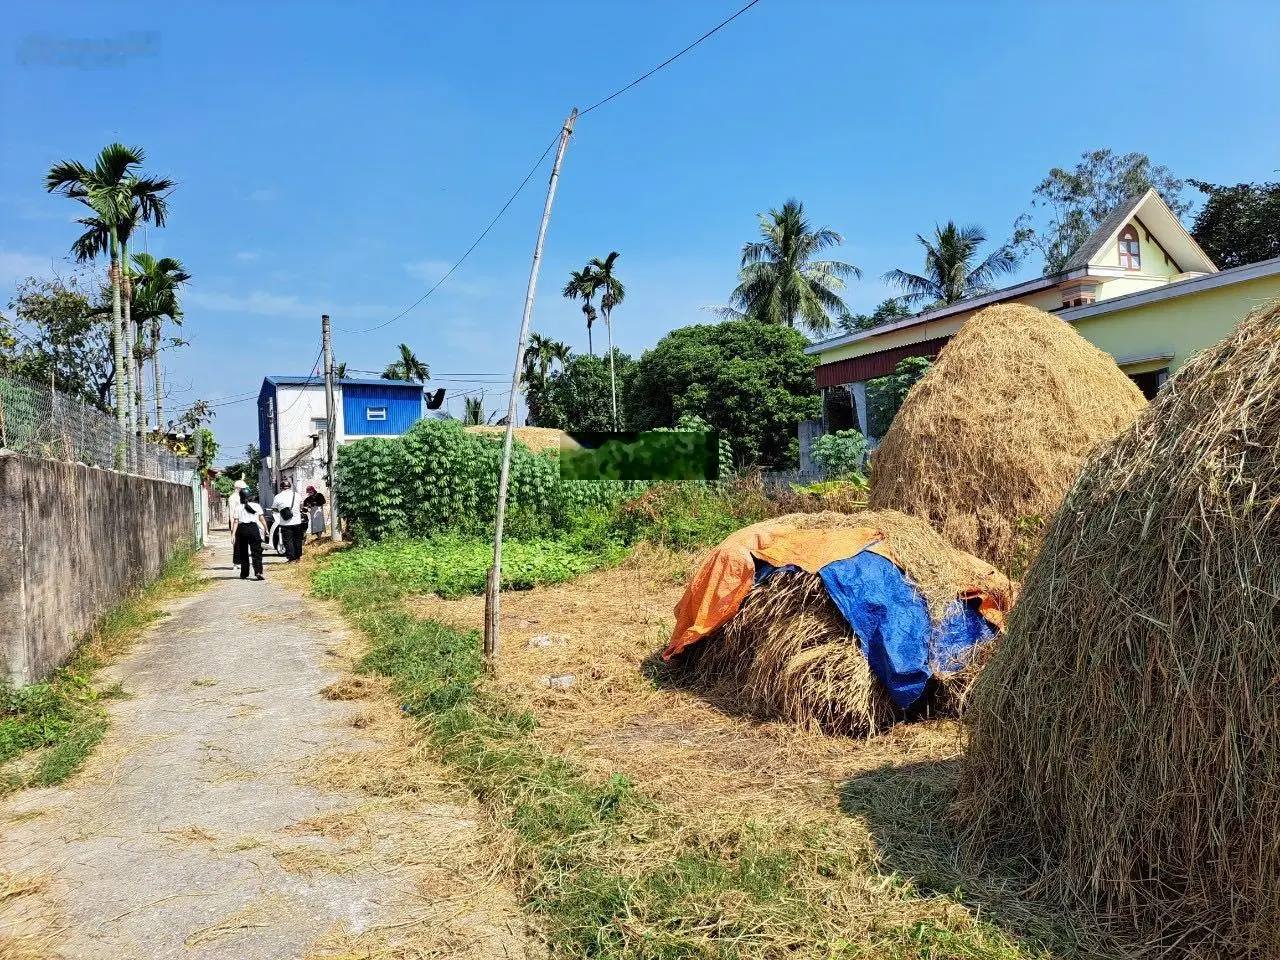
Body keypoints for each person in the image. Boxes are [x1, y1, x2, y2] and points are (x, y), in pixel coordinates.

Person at [231, 488, 267, 580]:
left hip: (242, 530)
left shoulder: (238, 507)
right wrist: (266, 529)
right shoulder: (256, 506)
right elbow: (261, 518)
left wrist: (233, 534)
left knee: (244, 552)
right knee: (256, 551)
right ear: (250, 497)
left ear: (240, 497)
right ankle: (258, 571)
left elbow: (235, 521)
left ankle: (244, 573)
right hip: (253, 529)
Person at [272, 477, 306, 563]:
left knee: (288, 540)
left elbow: (275, 509)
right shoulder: (297, 495)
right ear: (290, 487)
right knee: (297, 539)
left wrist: (282, 510)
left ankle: (291, 558)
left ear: (281, 488)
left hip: (285, 523)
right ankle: (298, 557)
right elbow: (301, 506)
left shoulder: (278, 497)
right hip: (297, 521)